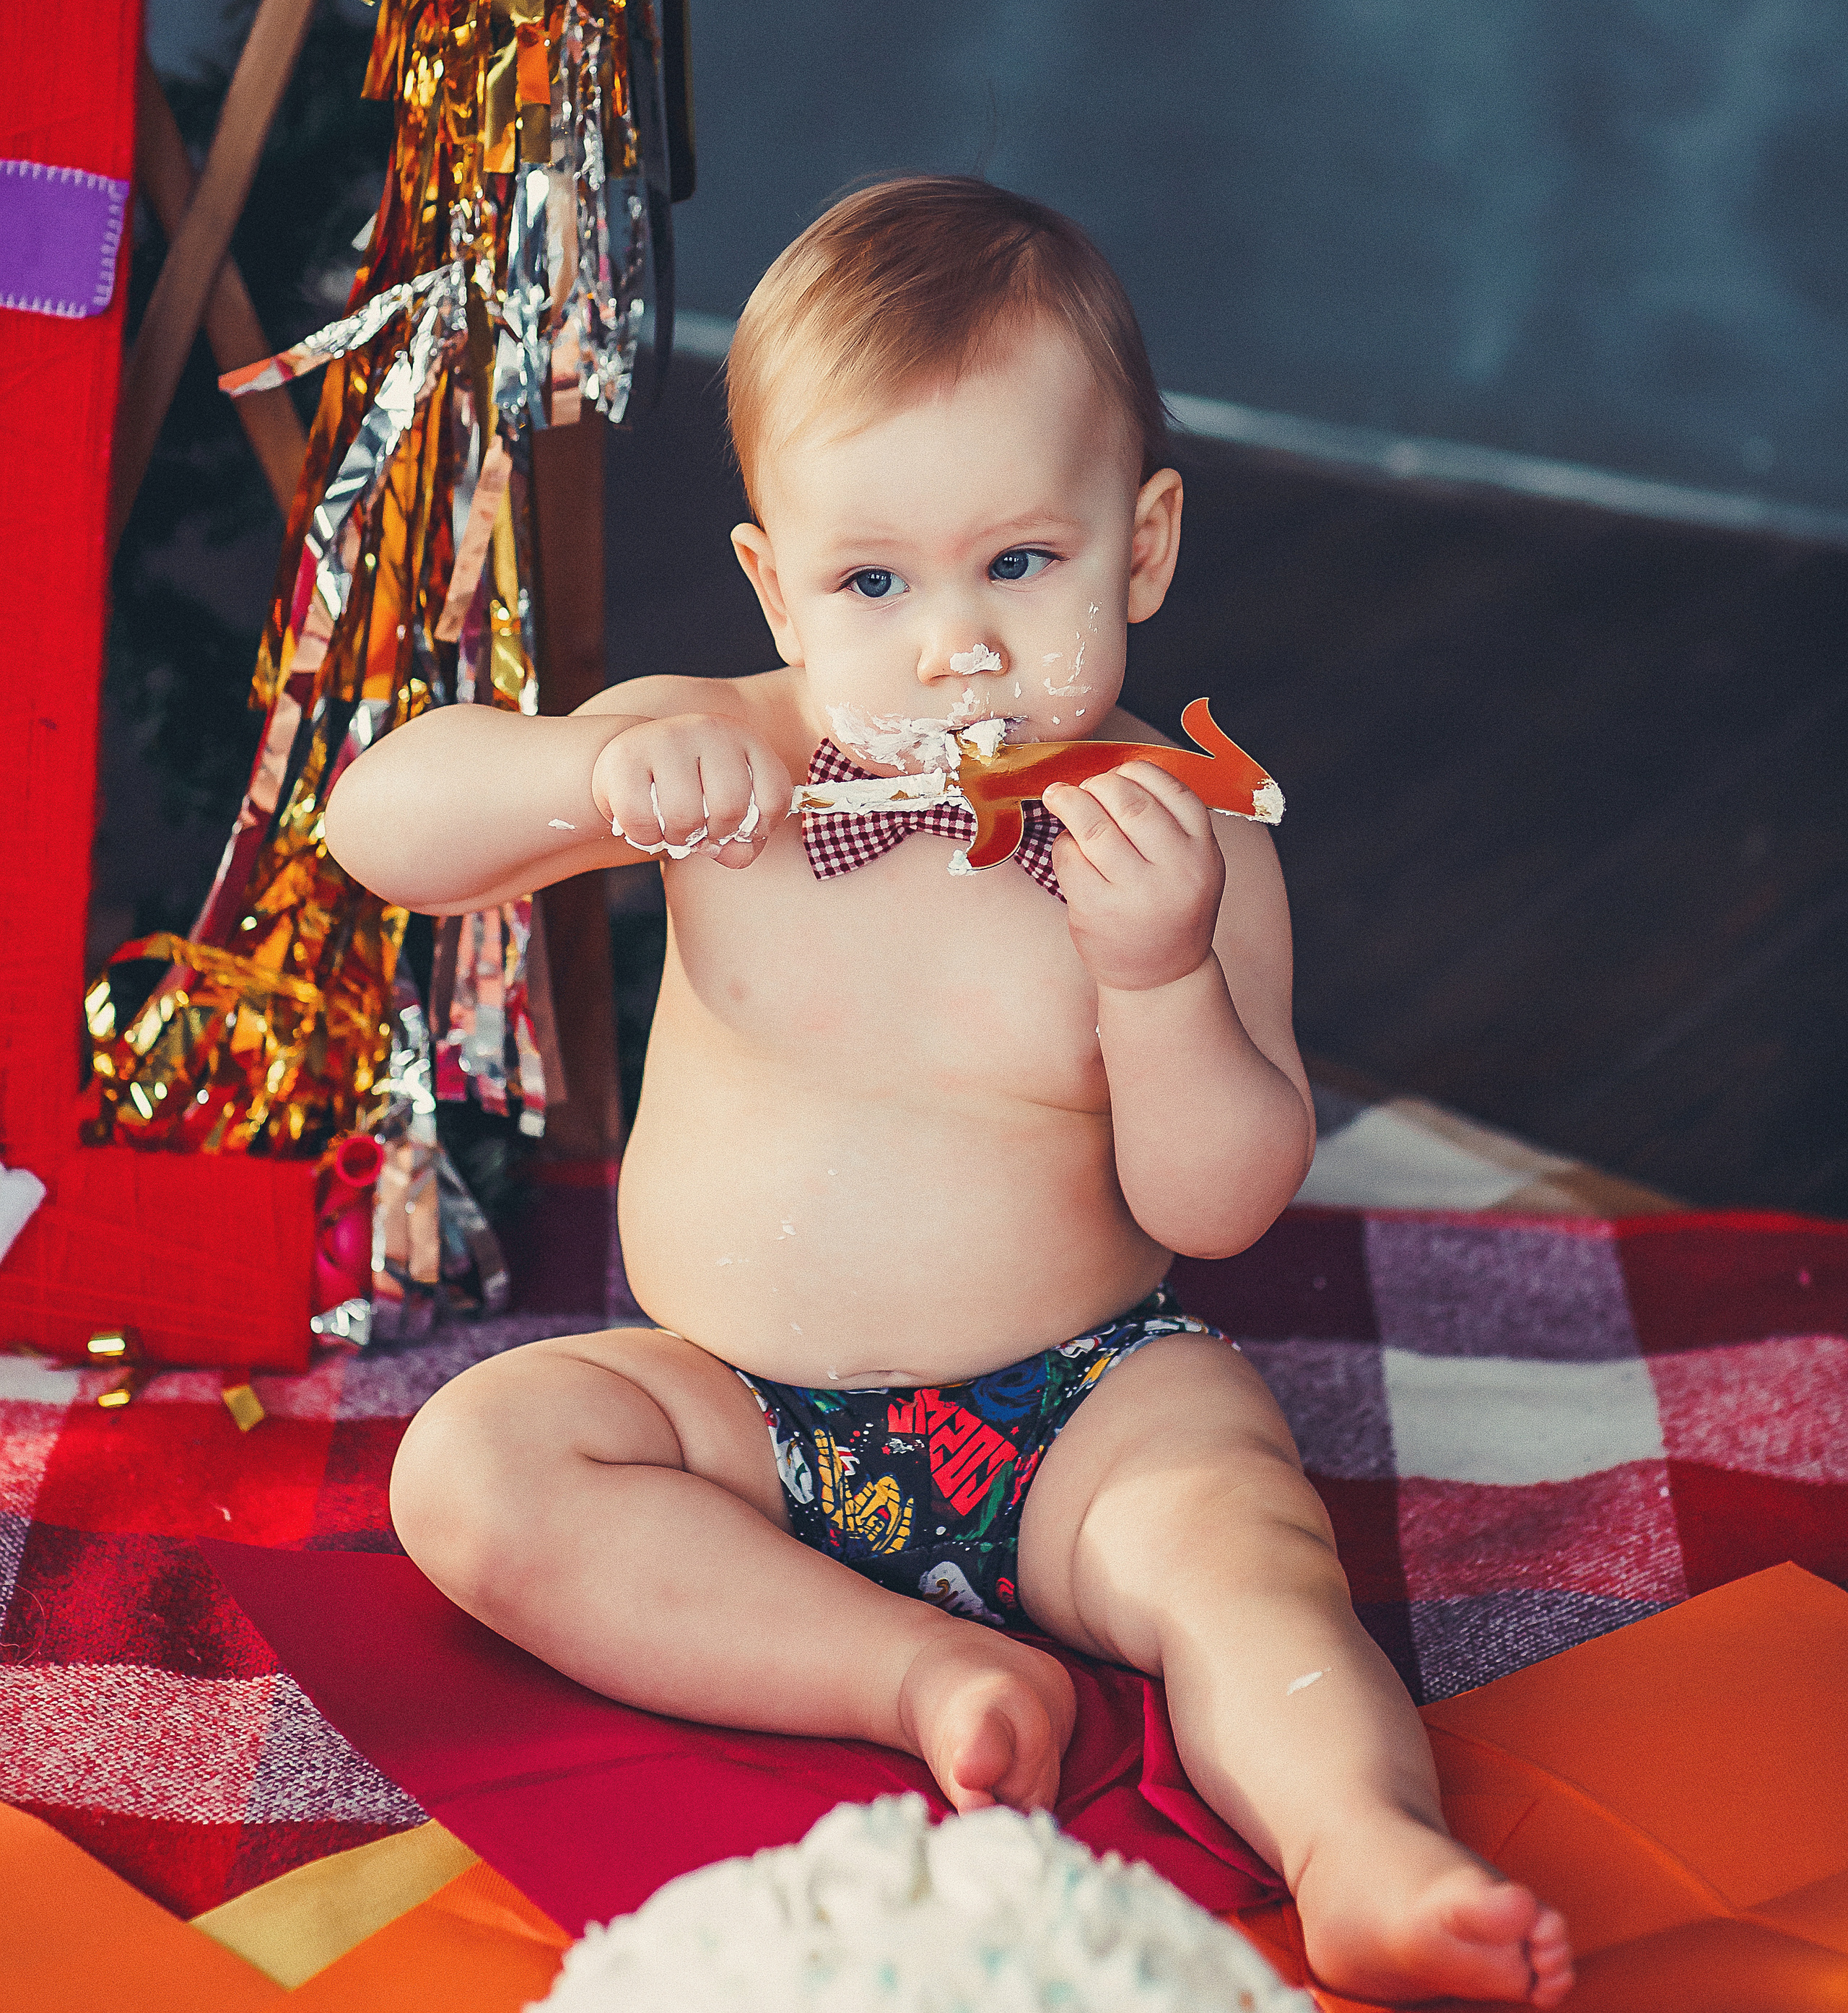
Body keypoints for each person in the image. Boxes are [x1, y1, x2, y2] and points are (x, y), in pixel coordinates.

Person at [328, 178, 1572, 2007]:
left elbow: (1217, 1204)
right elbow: (380, 823)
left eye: (1018, 564)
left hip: (1070, 1412)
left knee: (1240, 1554)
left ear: (1137, 548)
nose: (953, 647)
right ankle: (909, 1678)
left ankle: (1360, 1849)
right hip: (731, 1414)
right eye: (872, 583)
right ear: (774, 583)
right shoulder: (724, 745)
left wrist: (1153, 972)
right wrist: (591, 780)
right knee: (478, 1471)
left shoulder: (1180, 838)